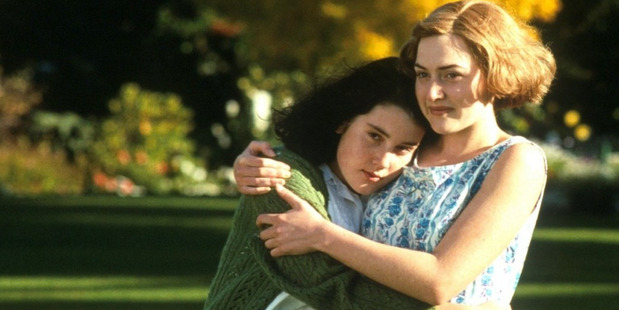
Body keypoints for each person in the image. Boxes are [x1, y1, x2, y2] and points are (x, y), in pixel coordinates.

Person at [233, 0, 556, 307]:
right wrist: (256, 160)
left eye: (451, 74)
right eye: (422, 74)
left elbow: (440, 281)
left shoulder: (515, 160)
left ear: (495, 72)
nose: (431, 93)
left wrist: (321, 235)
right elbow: (329, 152)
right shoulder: (409, 147)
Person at [205, 57, 434, 310]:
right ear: (343, 121)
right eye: (374, 136)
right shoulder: (279, 177)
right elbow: (331, 289)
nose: (382, 161)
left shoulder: (404, 191)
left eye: (402, 148)